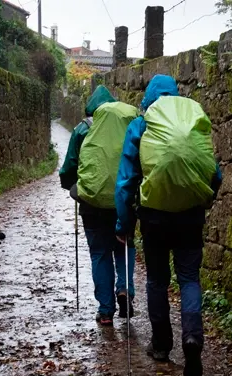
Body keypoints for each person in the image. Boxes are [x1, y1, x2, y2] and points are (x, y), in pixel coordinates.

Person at [114, 75, 222, 376]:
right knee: (189, 278)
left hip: (154, 216)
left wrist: (123, 223)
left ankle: (161, 344)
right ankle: (193, 339)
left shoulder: (142, 124)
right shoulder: (190, 118)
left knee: (158, 280)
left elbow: (126, 181)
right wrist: (207, 195)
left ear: (147, 97)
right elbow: (213, 171)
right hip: (190, 214)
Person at [60, 86, 137, 326]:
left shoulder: (82, 129)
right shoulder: (128, 125)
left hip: (92, 203)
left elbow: (68, 169)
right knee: (125, 246)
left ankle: (105, 311)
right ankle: (124, 289)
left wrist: (73, 186)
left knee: (100, 254)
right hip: (123, 199)